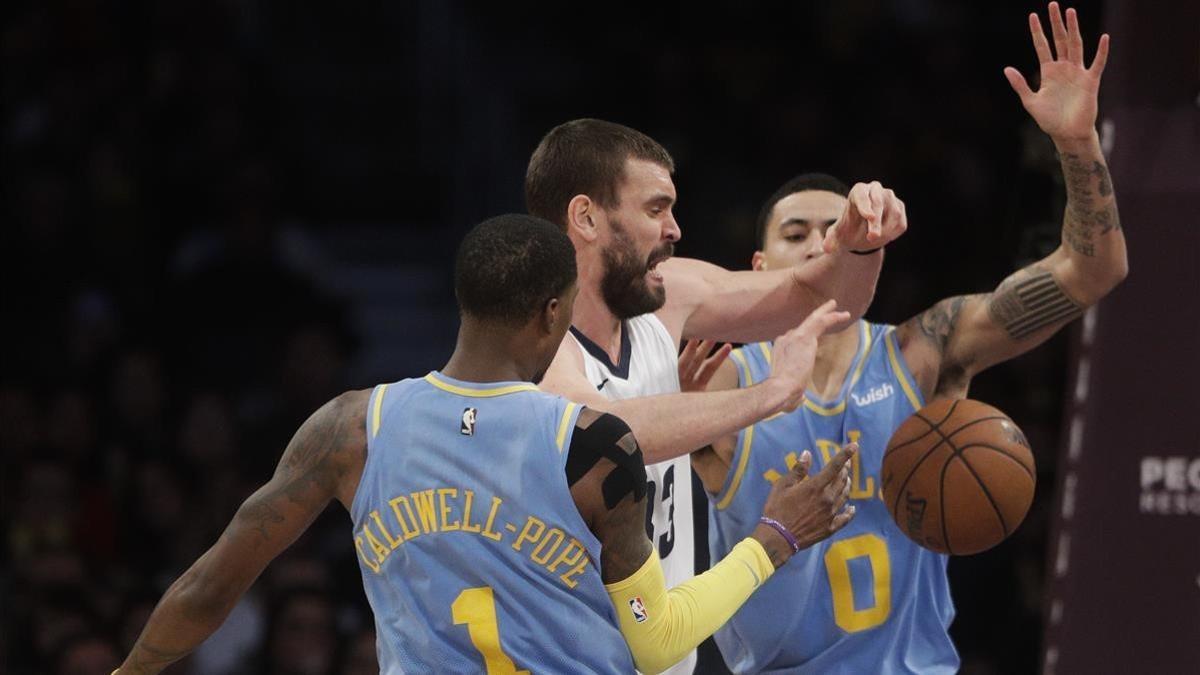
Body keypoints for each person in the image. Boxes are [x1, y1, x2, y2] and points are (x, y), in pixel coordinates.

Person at [114, 214, 858, 675]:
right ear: (553, 313)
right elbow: (657, 643)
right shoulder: (596, 447)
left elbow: (211, 586)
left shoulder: (349, 427)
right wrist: (774, 537)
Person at [687, 4, 1126, 672]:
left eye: (833, 228)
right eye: (795, 233)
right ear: (759, 268)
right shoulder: (719, 379)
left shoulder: (921, 353)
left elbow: (1095, 269)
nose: (819, 244)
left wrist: (1076, 141)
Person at [528, 118, 909, 674]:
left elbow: (822, 298)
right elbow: (607, 435)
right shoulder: (534, 338)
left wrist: (861, 244)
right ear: (586, 216)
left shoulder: (666, 296)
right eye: (656, 209)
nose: (675, 229)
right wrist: (771, 392)